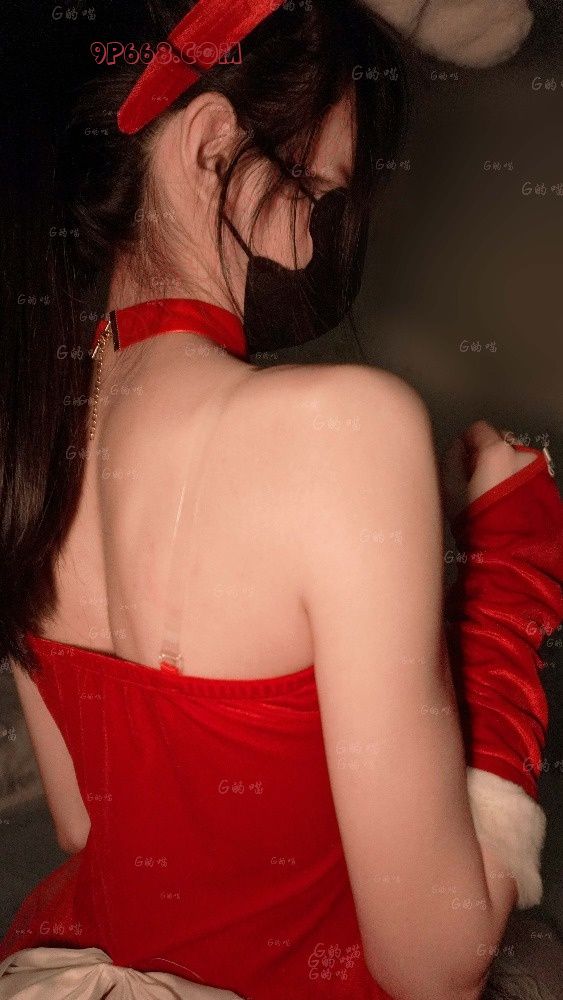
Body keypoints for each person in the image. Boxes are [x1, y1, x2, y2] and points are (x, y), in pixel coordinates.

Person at [0, 1, 560, 998]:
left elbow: (86, 820)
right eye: (315, 194)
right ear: (212, 143)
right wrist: (500, 569)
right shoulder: (344, 427)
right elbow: (433, 964)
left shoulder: (28, 426)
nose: (310, 249)